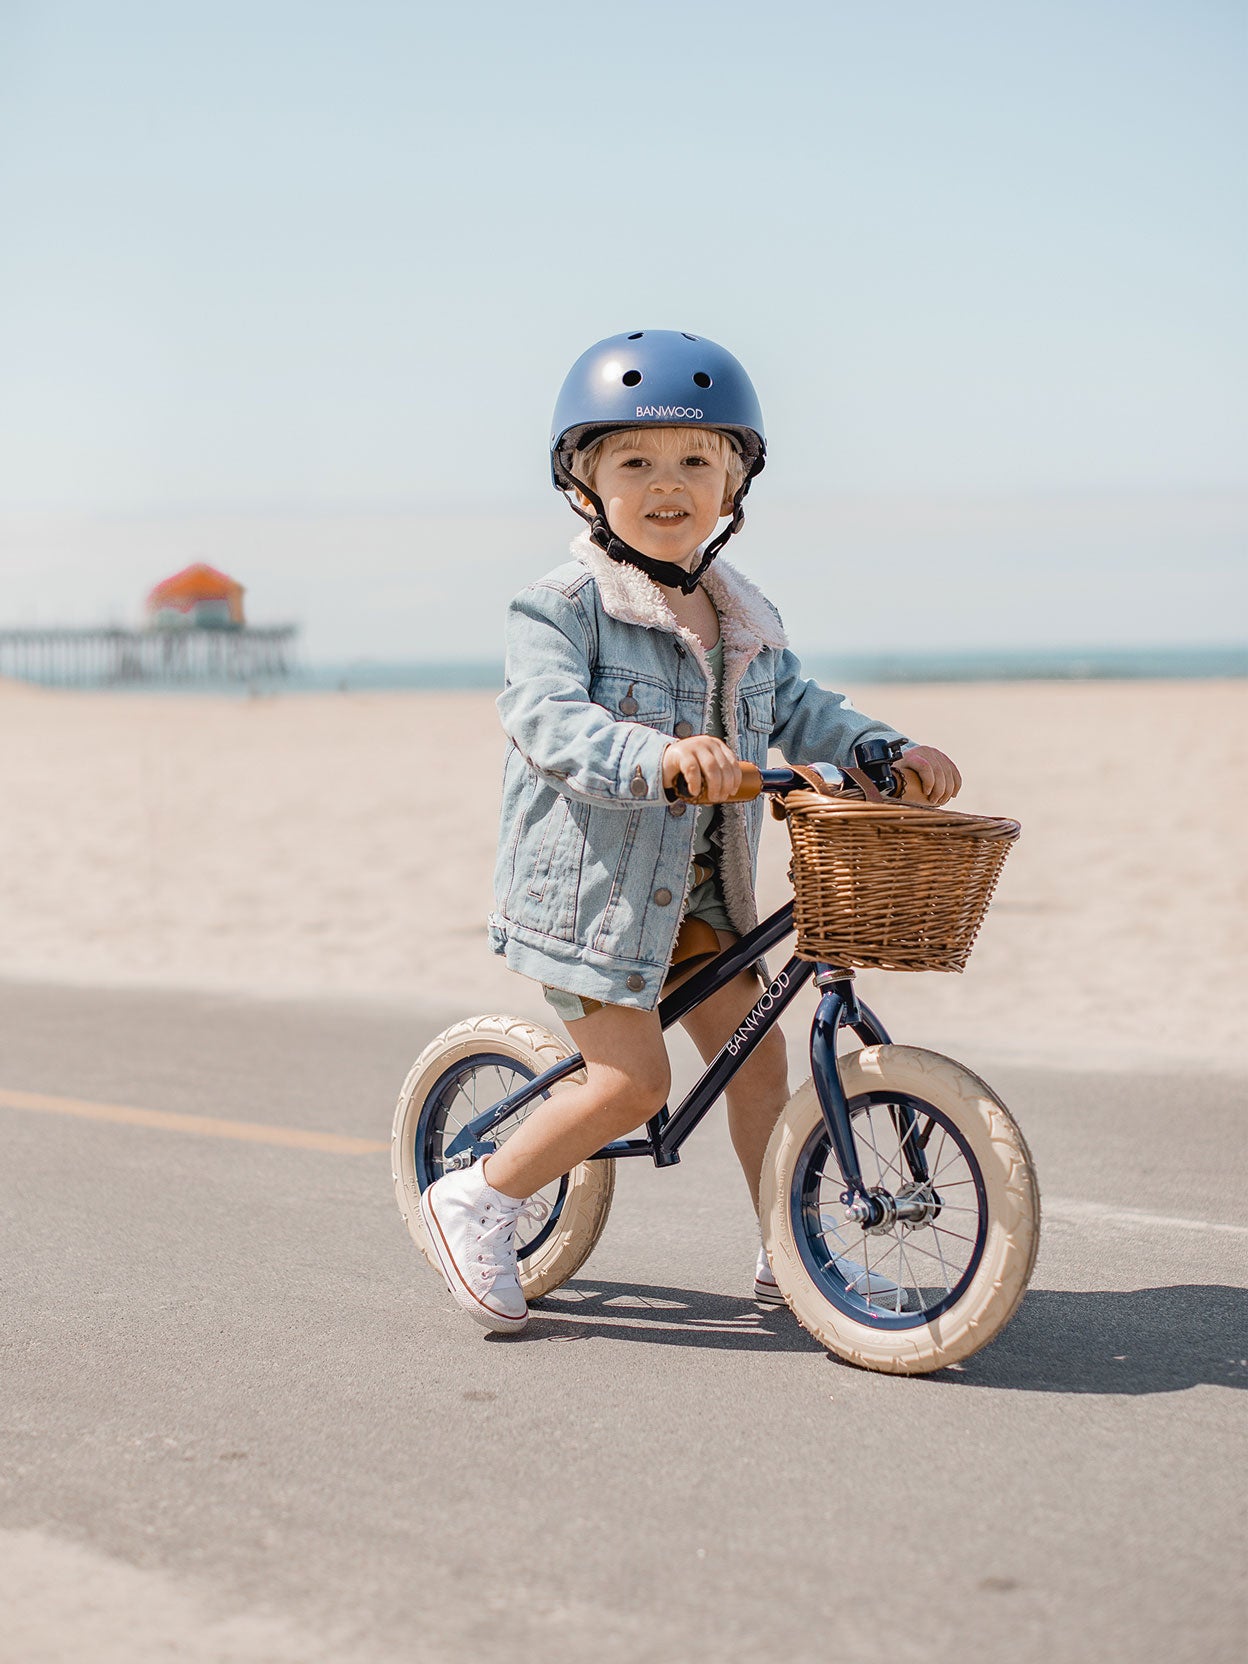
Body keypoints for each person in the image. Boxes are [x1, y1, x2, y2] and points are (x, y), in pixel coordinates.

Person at [420, 330, 961, 1332]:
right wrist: (655, 754)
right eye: (635, 462)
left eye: (696, 462)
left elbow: (806, 709)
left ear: (733, 485)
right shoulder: (562, 606)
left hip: (707, 898)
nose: (668, 485)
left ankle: (785, 1243)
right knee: (632, 1081)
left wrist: (887, 745)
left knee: (761, 1064)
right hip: (594, 901)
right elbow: (547, 718)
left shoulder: (743, 618)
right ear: (585, 484)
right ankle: (478, 1196)